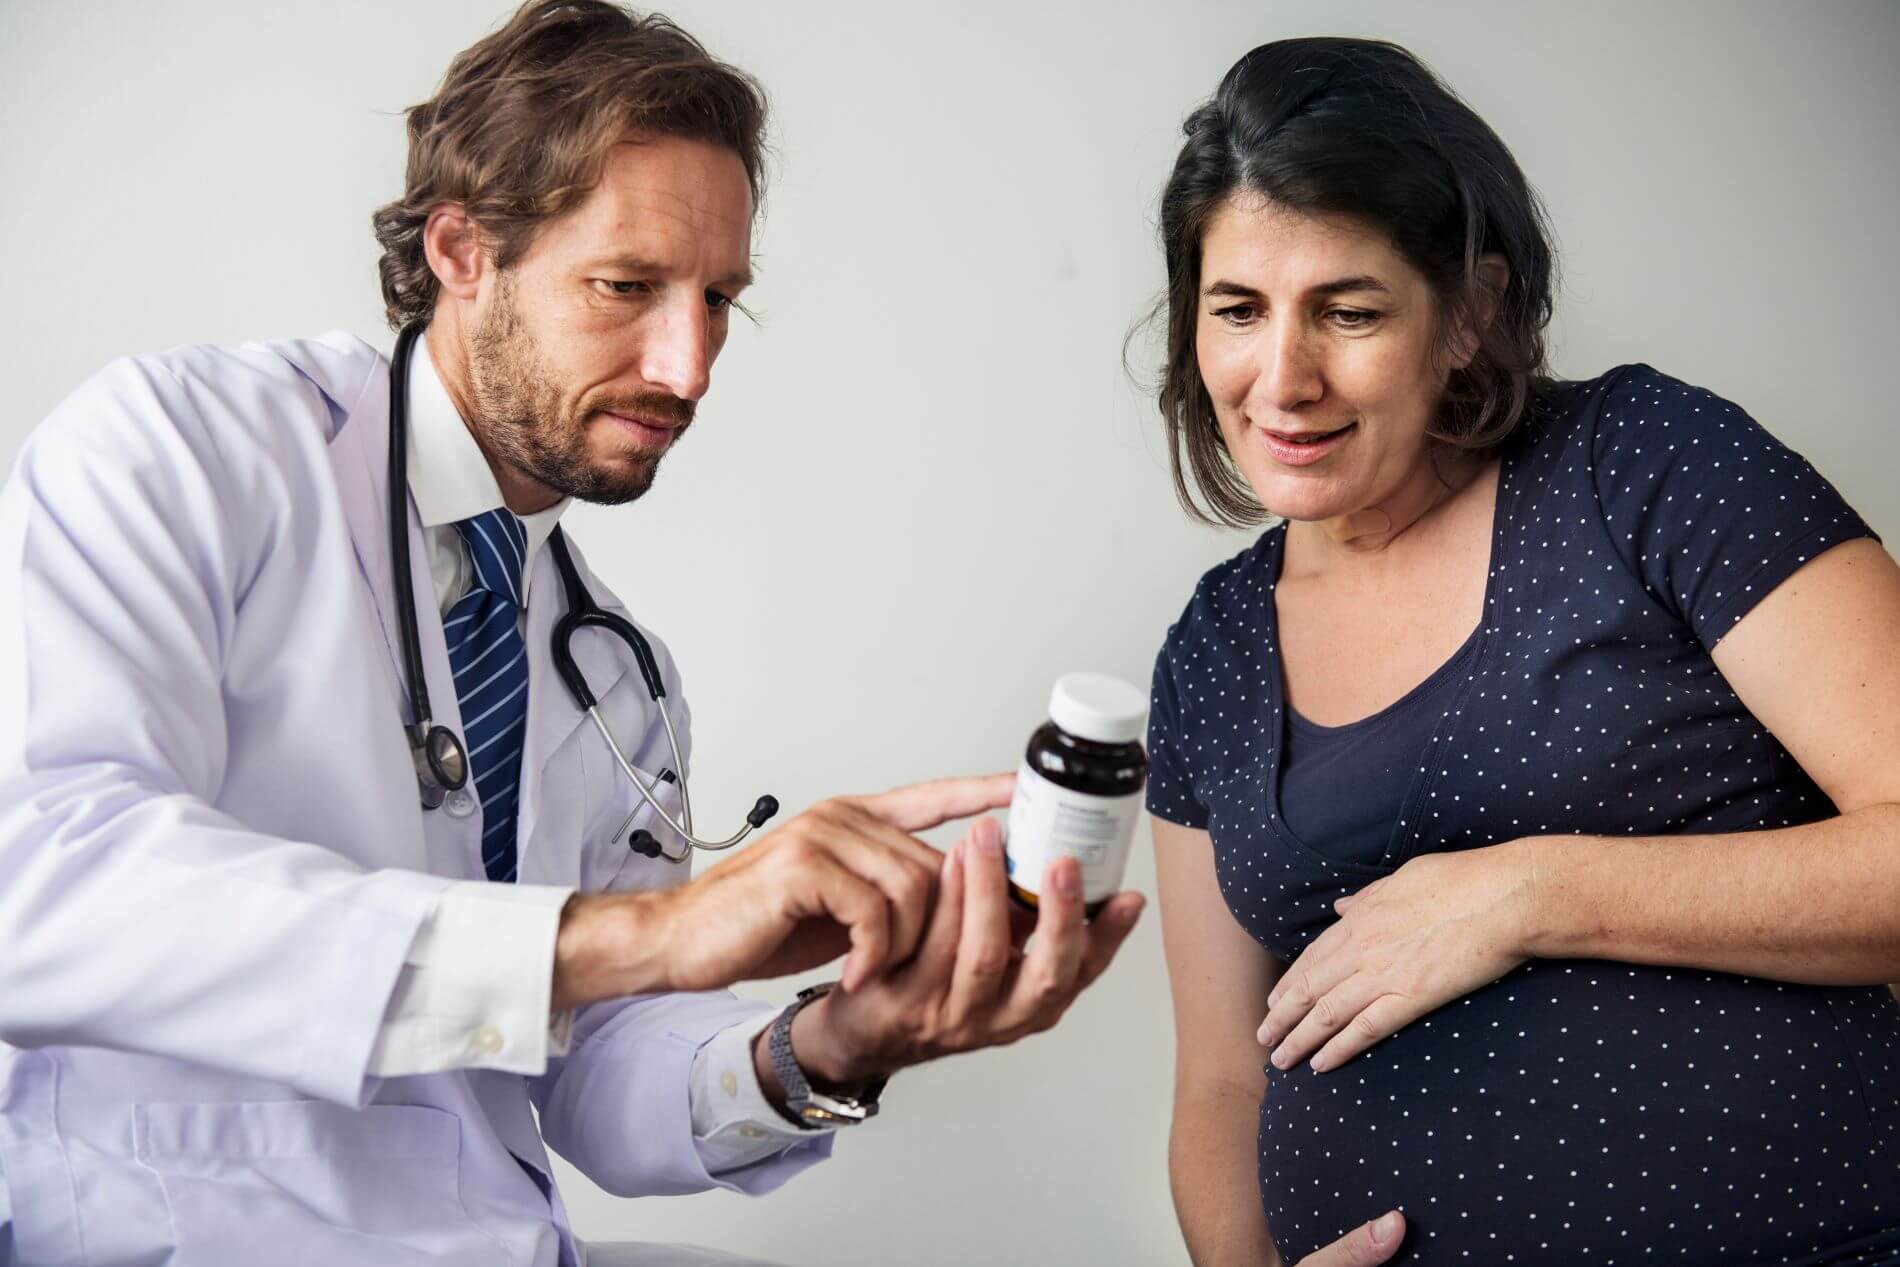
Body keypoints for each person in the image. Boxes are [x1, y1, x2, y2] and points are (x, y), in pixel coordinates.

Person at [0, 5, 1157, 1265]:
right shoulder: (188, 452)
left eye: (720, 299)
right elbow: (43, 884)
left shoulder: (615, 670)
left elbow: (601, 1072)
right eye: (628, 287)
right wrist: (653, 932)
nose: (689, 364)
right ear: (460, 249)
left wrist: (830, 1043)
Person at [1144, 37, 1900, 1267]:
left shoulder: (1643, 465)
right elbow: (1222, 1085)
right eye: (1237, 310)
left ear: (1471, 311)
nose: (1280, 378)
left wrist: (1534, 893)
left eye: (1348, 310)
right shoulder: (1212, 649)